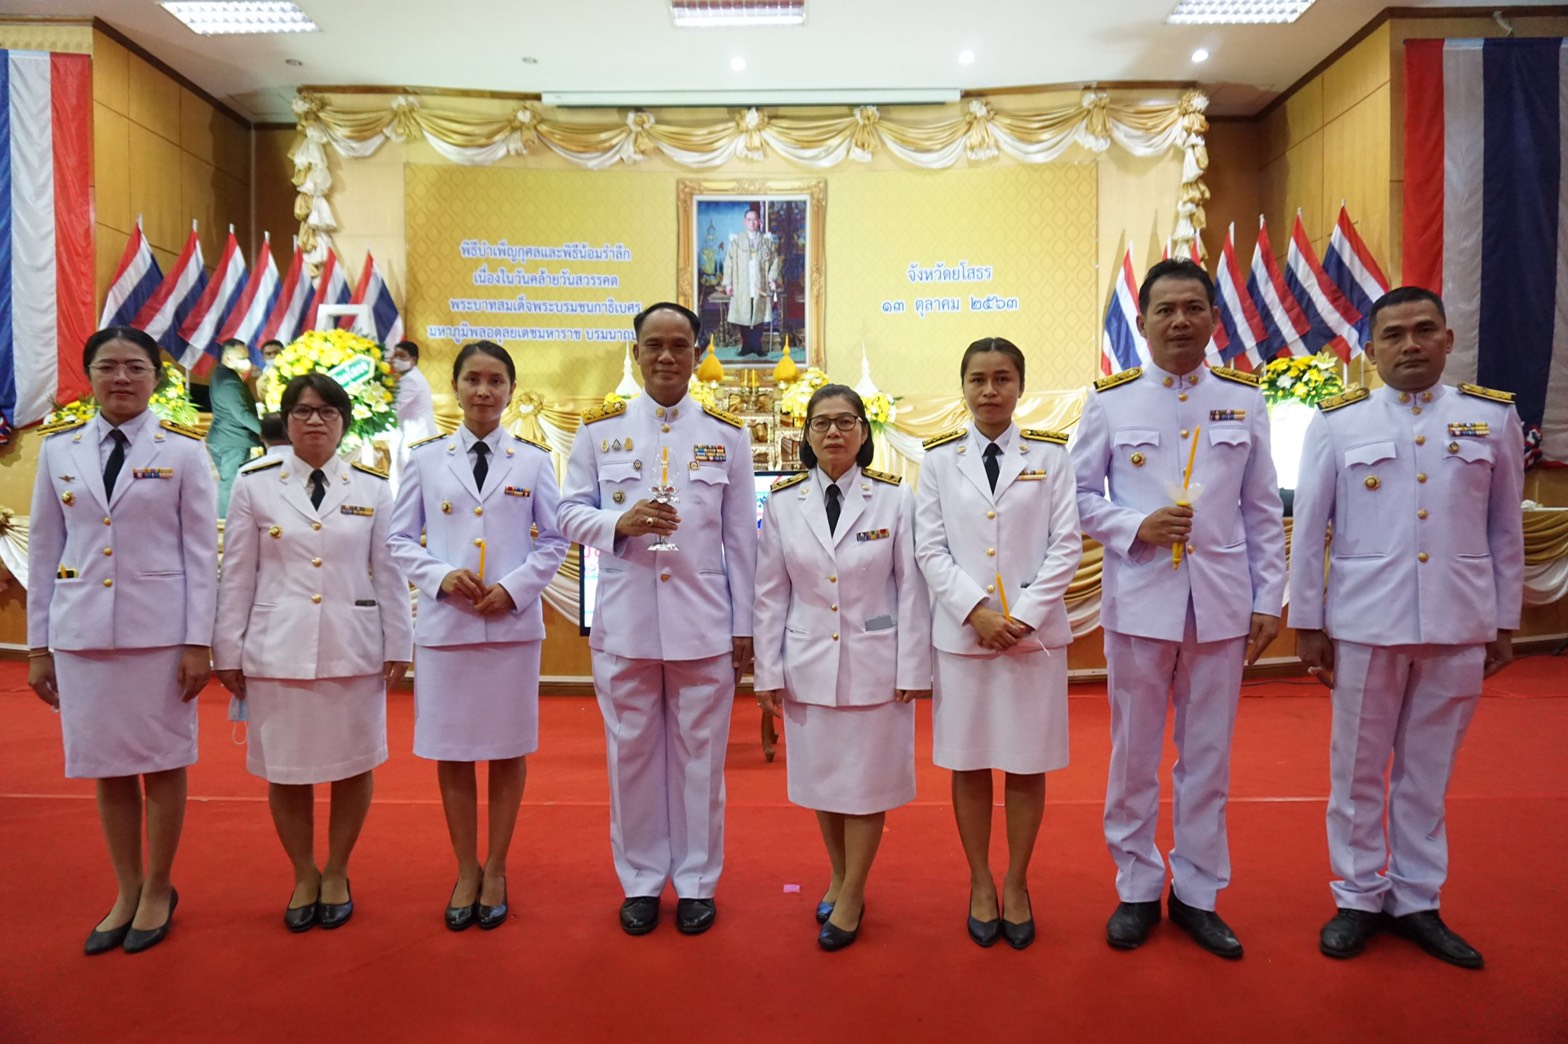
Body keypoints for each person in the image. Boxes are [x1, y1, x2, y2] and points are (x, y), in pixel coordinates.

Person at [1290, 287, 1524, 969]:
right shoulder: (1338, 422)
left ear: (1448, 339)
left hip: (1457, 622)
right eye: (1393, 335)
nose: (1410, 345)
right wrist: (1308, 623)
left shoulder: (1489, 418)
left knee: (1427, 775)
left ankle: (1417, 899)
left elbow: (1505, 529)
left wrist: (1504, 621)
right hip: (1365, 624)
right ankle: (1358, 896)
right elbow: (1310, 534)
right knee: (1357, 771)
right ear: (1371, 351)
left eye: (1424, 331)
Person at [1072, 259, 1285, 959]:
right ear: (1142, 323)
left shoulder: (1244, 401)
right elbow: (1075, 499)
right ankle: (1135, 885)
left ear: (1213, 320)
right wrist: (1136, 527)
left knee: (1208, 756)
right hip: (1139, 600)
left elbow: (1261, 510)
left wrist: (1269, 596)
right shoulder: (1112, 402)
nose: (1180, 321)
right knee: (1134, 753)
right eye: (1165, 310)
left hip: (1220, 605)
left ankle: (1197, 892)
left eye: (1194, 308)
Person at [558, 301, 757, 936]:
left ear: (699, 353)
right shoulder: (599, 430)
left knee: (703, 760)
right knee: (632, 757)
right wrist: (618, 521)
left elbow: (742, 543)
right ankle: (641, 881)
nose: (667, 356)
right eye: (654, 345)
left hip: (703, 624)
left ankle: (698, 882)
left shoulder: (727, 435)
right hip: (627, 624)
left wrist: (744, 626)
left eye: (680, 345)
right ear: (636, 352)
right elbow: (565, 512)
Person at [27, 325, 218, 955]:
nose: (122, 379)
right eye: (108, 367)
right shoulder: (59, 451)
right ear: (90, 375)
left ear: (156, 377)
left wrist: (199, 642)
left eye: (136, 367)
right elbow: (47, 549)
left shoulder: (186, 450)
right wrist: (38, 646)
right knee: (107, 768)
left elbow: (200, 553)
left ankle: (160, 887)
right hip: (82, 633)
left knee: (162, 762)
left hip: (159, 635)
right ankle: (126, 888)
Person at [213, 372, 413, 933]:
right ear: (286, 421)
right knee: (288, 771)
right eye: (303, 412)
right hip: (277, 649)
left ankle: (338, 870)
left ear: (345, 420)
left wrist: (399, 642)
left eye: (327, 412)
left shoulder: (372, 486)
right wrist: (226, 649)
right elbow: (237, 577)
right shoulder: (254, 483)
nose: (315, 422)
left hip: (354, 646)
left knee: (353, 765)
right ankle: (304, 872)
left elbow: (390, 572)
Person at [388, 341, 569, 931]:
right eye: (473, 380)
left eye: (496, 381)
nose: (484, 391)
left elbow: (554, 539)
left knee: (509, 749)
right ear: (456, 388)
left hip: (512, 627)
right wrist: (441, 577)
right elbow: (397, 541)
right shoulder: (424, 458)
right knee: (454, 752)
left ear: (511, 390)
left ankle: (497, 865)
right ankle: (465, 867)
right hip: (448, 626)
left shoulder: (536, 460)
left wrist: (517, 588)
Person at [915, 337, 1081, 950]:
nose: (990, 391)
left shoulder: (1052, 456)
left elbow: (1067, 544)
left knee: (1026, 762)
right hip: (965, 641)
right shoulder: (937, 460)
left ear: (1020, 385)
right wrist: (976, 613)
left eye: (1003, 379)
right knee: (969, 762)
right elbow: (928, 547)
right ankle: (980, 881)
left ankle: (1017, 881)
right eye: (979, 379)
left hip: (1031, 643)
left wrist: (1024, 617)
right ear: (962, 386)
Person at [753, 385, 931, 951]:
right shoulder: (783, 503)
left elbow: (911, 589)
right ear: (805, 435)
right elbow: (768, 595)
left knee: (866, 787)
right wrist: (767, 673)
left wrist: (913, 667)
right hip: (806, 663)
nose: (834, 432)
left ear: (864, 432)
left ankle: (852, 894)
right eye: (822, 423)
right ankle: (840, 874)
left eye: (846, 421)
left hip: (876, 664)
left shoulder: (895, 499)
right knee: (824, 786)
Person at [208, 337, 263, 516]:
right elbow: (242, 414)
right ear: (228, 358)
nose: (247, 360)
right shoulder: (229, 382)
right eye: (242, 357)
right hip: (233, 440)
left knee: (232, 483)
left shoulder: (221, 375)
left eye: (247, 356)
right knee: (230, 484)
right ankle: (225, 525)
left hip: (224, 437)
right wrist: (267, 432)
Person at [721, 206, 780, 357]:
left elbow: (775, 261)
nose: (752, 223)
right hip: (742, 285)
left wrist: (771, 278)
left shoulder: (766, 241)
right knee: (744, 314)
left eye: (755, 220)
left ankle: (757, 346)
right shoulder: (736, 241)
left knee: (758, 314)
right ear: (745, 221)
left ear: (759, 221)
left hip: (760, 285)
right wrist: (728, 283)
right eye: (749, 220)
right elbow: (728, 262)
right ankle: (746, 346)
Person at [387, 340, 438, 491]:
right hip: (413, 436)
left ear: (413, 360)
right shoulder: (409, 377)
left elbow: (393, 407)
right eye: (394, 355)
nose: (396, 360)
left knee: (407, 483)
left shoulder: (411, 380)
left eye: (401, 356)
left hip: (416, 438)